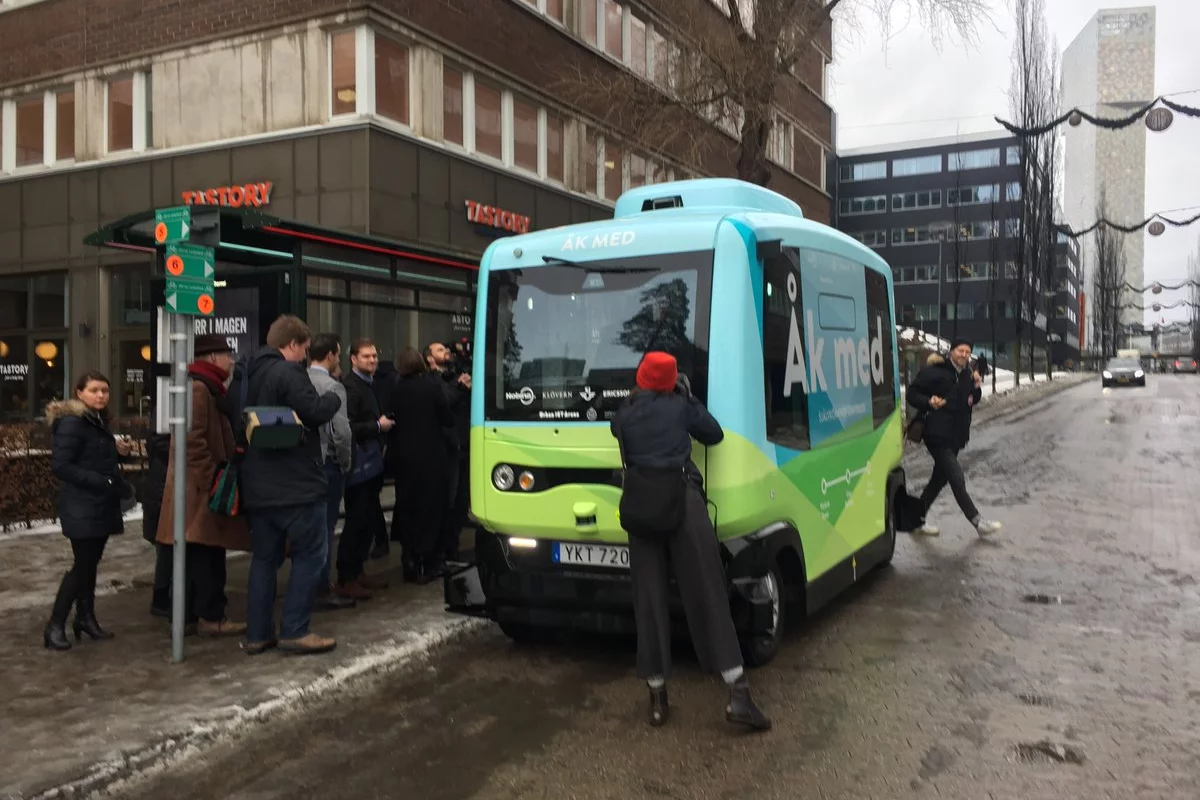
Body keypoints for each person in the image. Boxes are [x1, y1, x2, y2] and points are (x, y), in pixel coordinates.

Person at [611, 352, 770, 731]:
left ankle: (657, 699)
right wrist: (687, 395)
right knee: (707, 592)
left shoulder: (625, 413)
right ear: (671, 382)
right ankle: (738, 694)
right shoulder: (680, 406)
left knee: (648, 600)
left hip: (640, 509)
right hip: (682, 502)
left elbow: (620, 429)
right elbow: (712, 434)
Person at [236, 315, 342, 656]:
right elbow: (313, 411)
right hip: (295, 484)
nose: (306, 357)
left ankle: (258, 634)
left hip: (258, 484)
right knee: (312, 554)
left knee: (265, 560)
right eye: (305, 350)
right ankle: (295, 629)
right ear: (293, 344)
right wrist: (334, 398)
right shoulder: (287, 371)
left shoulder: (243, 373)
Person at [156, 335, 251, 636]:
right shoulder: (198, 389)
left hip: (197, 490)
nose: (231, 360)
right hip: (198, 493)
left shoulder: (206, 387)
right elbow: (190, 443)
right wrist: (214, 481)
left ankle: (191, 617)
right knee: (206, 557)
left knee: (201, 555)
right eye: (226, 354)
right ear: (211, 357)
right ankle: (210, 617)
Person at [43, 372, 132, 650]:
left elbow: (91, 456)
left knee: (90, 565)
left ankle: (85, 618)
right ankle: (55, 625)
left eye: (105, 390)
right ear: (79, 393)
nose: (101, 395)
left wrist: (119, 452)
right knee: (81, 567)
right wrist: (103, 481)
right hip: (82, 505)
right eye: (94, 390)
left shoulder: (96, 421)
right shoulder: (72, 422)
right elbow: (62, 466)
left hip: (98, 504)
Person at [905, 339, 1003, 537]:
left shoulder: (966, 374)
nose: (964, 354)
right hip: (936, 433)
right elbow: (912, 393)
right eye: (960, 350)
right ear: (951, 351)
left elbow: (971, 400)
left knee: (938, 480)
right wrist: (929, 401)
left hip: (956, 435)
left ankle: (915, 520)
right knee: (956, 475)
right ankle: (977, 521)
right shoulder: (935, 371)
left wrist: (975, 387)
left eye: (968, 351)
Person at [387, 347, 455, 583]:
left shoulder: (395, 390)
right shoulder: (431, 387)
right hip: (432, 458)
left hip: (404, 459)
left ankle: (410, 561)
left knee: (408, 508)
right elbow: (448, 418)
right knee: (432, 510)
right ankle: (429, 562)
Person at [337, 338, 394, 600]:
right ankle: (346, 576)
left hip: (372, 465)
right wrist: (377, 428)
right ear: (353, 359)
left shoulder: (369, 385)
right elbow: (347, 427)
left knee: (367, 520)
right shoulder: (351, 387)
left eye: (374, 356)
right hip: (359, 467)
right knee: (356, 520)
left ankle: (357, 571)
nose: (372, 360)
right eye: (366, 356)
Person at [307, 333, 357, 612]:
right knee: (326, 527)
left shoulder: (300, 379)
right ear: (329, 356)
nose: (338, 359)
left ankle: (313, 584)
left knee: (313, 527)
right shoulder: (333, 387)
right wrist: (346, 462)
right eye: (337, 354)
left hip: (305, 462)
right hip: (328, 462)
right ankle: (321, 587)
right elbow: (342, 432)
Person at [425, 342, 472, 563]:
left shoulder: (456, 377)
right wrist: (461, 388)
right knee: (449, 501)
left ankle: (453, 545)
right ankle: (443, 549)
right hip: (448, 450)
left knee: (462, 502)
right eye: (439, 350)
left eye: (446, 349)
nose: (446, 352)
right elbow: (443, 401)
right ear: (430, 359)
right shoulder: (432, 380)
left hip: (465, 446)